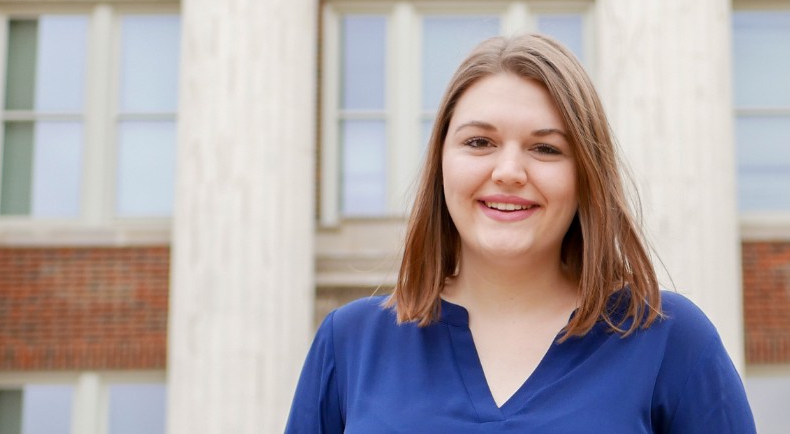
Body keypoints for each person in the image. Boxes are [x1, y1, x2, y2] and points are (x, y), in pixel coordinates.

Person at [285, 34, 755, 433]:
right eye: (479, 142)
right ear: (440, 165)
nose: (509, 171)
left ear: (586, 175)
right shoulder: (350, 343)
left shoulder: (668, 340)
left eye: (545, 148)